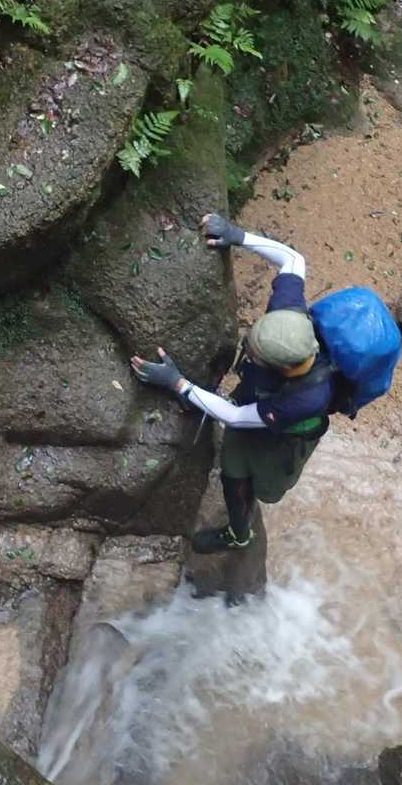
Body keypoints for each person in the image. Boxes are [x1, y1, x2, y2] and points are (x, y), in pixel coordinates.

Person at [132, 213, 333, 555]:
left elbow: (237, 418)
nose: (248, 353)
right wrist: (237, 236)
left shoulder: (308, 398)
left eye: (256, 355)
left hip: (287, 433)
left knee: (255, 483)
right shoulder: (289, 316)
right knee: (233, 471)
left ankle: (241, 534)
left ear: (283, 368)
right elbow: (293, 260)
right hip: (258, 400)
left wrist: (178, 384)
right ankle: (240, 528)